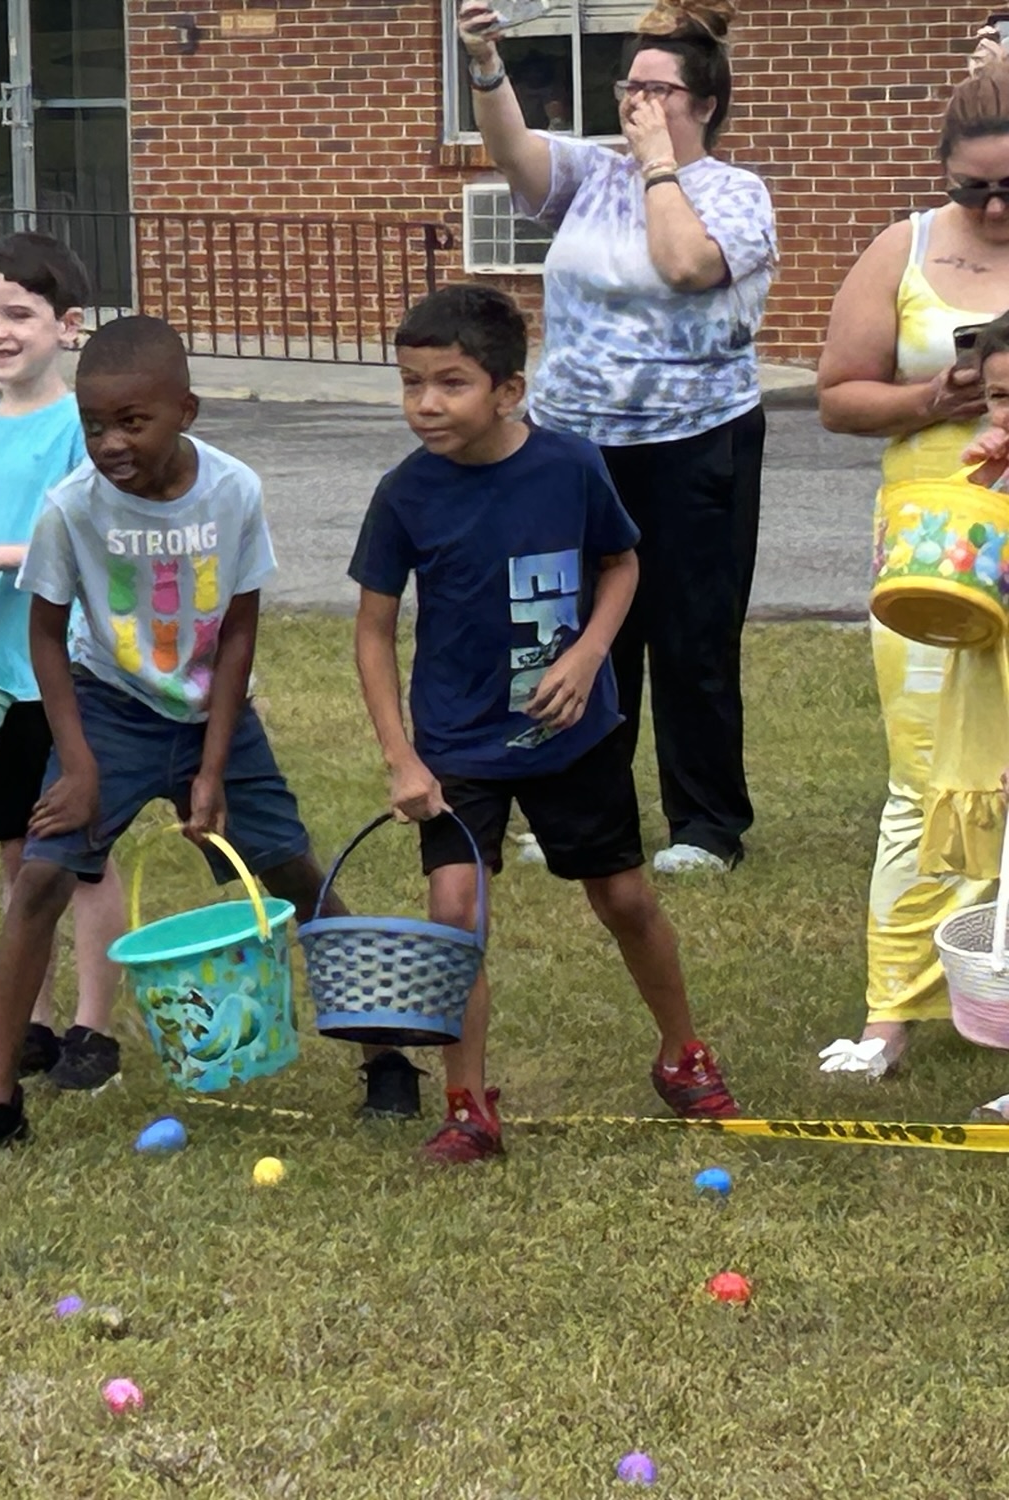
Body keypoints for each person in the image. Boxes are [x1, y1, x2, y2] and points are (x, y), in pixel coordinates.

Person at [0, 316, 344, 1160]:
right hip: (111, 708)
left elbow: (240, 631)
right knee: (40, 878)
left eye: (132, 422)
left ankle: (383, 1051)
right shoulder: (71, 506)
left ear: (186, 411)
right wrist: (77, 765)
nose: (110, 443)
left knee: (293, 871)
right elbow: (45, 635)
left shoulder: (233, 491)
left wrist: (212, 768)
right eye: (94, 424)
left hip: (215, 710)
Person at [350, 285, 739, 1164]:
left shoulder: (570, 466)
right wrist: (401, 758)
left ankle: (682, 1054)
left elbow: (622, 564)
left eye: (450, 383)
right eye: (411, 383)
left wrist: (591, 654)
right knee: (455, 913)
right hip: (457, 746)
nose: (425, 404)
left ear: (509, 392)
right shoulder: (405, 494)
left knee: (625, 899)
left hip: (571, 736)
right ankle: (468, 1108)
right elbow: (373, 632)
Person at [456, 0, 775, 875]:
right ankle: (581, 807)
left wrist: (660, 166)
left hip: (694, 440)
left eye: (657, 89)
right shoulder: (590, 173)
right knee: (575, 628)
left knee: (690, 633)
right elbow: (513, 151)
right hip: (574, 443)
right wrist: (485, 65)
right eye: (629, 85)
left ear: (703, 104)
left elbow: (685, 265)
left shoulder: (734, 193)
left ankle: (705, 826)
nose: (636, 101)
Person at [813, 64, 1009, 1080]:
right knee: (922, 777)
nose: (992, 209)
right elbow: (838, 396)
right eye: (973, 188)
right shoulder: (905, 246)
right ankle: (891, 1010)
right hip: (937, 550)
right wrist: (936, 398)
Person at [0, 231, 128, 1091]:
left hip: (66, 675)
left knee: (82, 855)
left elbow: (90, 537)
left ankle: (94, 1029)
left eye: (19, 315)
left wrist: (0, 560)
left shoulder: (82, 432)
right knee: (15, 848)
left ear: (67, 326)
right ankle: (32, 1022)